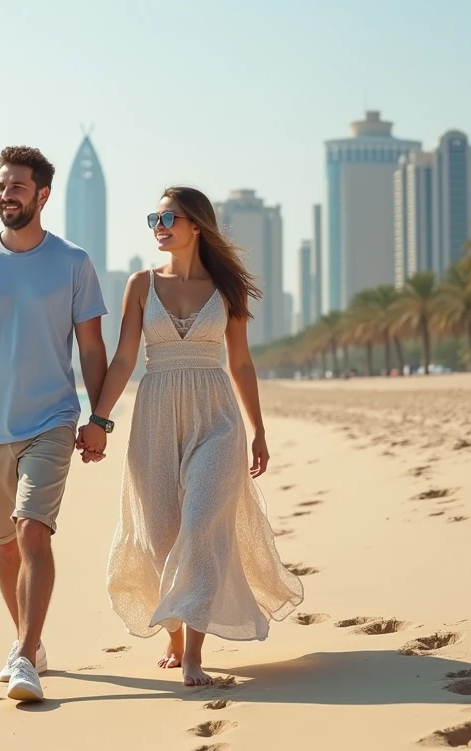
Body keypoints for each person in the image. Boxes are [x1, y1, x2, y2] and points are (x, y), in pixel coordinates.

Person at [77, 186, 304, 687]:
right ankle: (175, 635)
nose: (158, 226)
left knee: (201, 528)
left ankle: (195, 653)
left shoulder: (227, 289)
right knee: (161, 533)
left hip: (217, 416)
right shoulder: (140, 285)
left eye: (168, 217)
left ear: (195, 225)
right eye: (153, 218)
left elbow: (241, 362)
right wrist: (99, 418)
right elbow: (123, 359)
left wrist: (259, 429)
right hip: (156, 415)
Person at [0, 145, 108, 702]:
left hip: (52, 419)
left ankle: (26, 657)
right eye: (1, 186)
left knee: (34, 530)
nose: (6, 195)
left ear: (42, 195)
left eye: (17, 187)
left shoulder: (73, 262)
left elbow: (92, 346)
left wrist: (99, 417)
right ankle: (28, 640)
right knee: (4, 545)